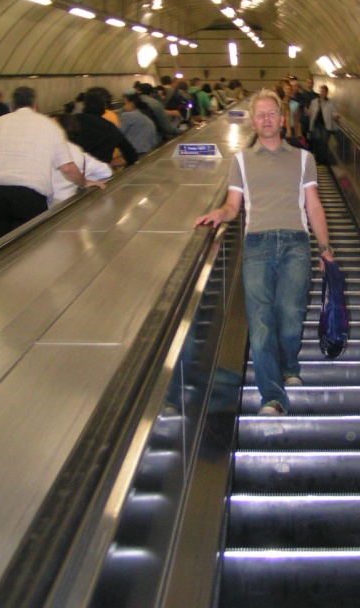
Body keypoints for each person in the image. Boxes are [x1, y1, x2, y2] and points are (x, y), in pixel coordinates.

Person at [194, 88, 335, 415]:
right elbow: (233, 206)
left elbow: (314, 205)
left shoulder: (304, 158)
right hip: (256, 244)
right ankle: (273, 396)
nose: (266, 119)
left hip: (296, 243)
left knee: (291, 314)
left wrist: (325, 249)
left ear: (282, 120)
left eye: (272, 113)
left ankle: (289, 367)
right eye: (260, 115)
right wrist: (219, 214)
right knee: (260, 321)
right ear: (253, 122)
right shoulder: (241, 161)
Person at [0, 86, 105, 247]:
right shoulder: (49, 125)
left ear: (12, 106)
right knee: (31, 250)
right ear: (35, 106)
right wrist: (84, 182)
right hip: (31, 197)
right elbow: (67, 167)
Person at [50, 114, 112, 206]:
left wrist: (84, 182)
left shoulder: (44, 149)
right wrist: (84, 180)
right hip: (68, 203)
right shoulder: (78, 152)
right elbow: (106, 172)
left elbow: (67, 168)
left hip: (49, 205)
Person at [75, 91, 138, 166]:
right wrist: (108, 164)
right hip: (100, 170)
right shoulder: (110, 128)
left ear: (84, 105)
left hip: (77, 167)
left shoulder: (75, 121)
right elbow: (131, 155)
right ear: (103, 107)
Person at [120, 89, 159, 156]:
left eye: (124, 104)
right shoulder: (143, 114)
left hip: (135, 152)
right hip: (149, 149)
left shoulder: (127, 115)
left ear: (131, 103)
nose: (123, 107)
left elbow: (119, 133)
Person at [309, 84, 340, 165]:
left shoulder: (330, 103)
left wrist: (335, 115)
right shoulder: (314, 101)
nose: (322, 93)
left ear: (326, 92)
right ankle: (317, 158)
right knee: (317, 139)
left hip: (325, 125)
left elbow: (334, 112)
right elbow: (311, 112)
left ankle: (323, 159)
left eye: (323, 91)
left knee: (324, 142)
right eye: (321, 91)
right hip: (316, 124)